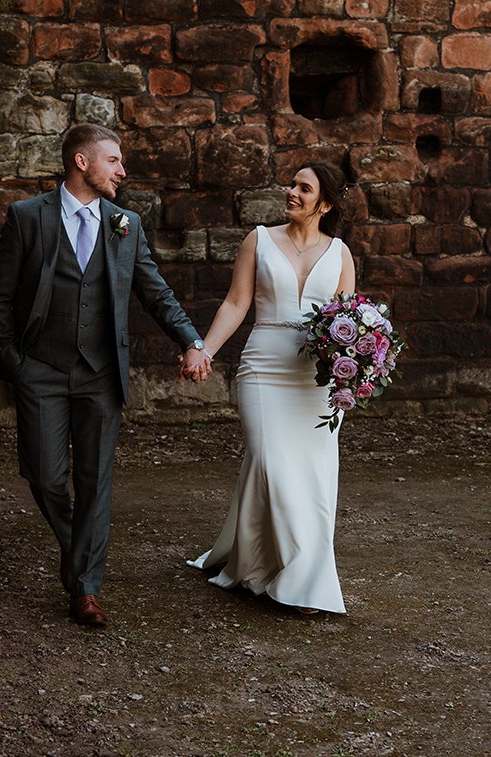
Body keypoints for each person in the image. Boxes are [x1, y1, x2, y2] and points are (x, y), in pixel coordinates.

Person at [0, 124, 211, 628]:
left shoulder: (124, 224)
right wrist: (15, 363)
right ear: (81, 162)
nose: (122, 171)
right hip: (39, 369)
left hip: (101, 374)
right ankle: (78, 548)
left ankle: (84, 588)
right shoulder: (28, 217)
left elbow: (156, 291)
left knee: (95, 481)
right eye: (113, 160)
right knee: (44, 477)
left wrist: (191, 341)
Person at [187, 163, 356, 615]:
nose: (292, 193)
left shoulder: (340, 254)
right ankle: (287, 573)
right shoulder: (258, 240)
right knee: (270, 462)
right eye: (292, 185)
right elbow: (236, 302)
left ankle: (301, 576)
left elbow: (349, 320)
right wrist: (204, 349)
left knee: (315, 475)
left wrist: (354, 367)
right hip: (263, 368)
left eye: (304, 188)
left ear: (324, 204)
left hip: (315, 379)